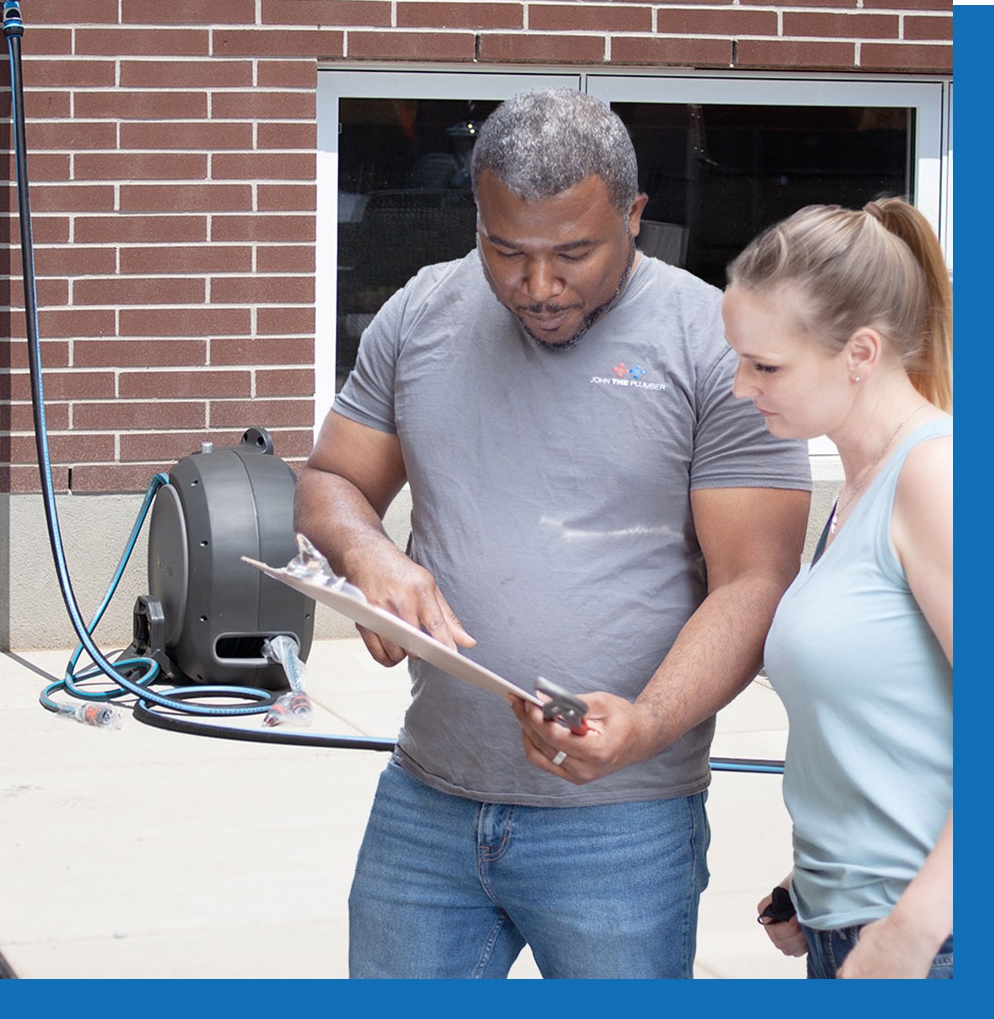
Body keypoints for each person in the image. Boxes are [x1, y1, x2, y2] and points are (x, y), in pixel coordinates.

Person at [295, 87, 812, 979]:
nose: (537, 286)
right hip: (429, 801)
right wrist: (368, 554)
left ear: (635, 217)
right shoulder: (422, 312)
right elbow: (333, 481)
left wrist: (644, 726)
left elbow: (755, 583)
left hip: (622, 820)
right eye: (508, 251)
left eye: (573, 252)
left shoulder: (716, 345)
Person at [720, 198, 953, 979]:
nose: (738, 387)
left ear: (860, 351)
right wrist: (810, 883)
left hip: (926, 942)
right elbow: (889, 731)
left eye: (765, 366)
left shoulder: (934, 478)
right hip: (847, 920)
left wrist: (908, 933)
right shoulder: (856, 493)